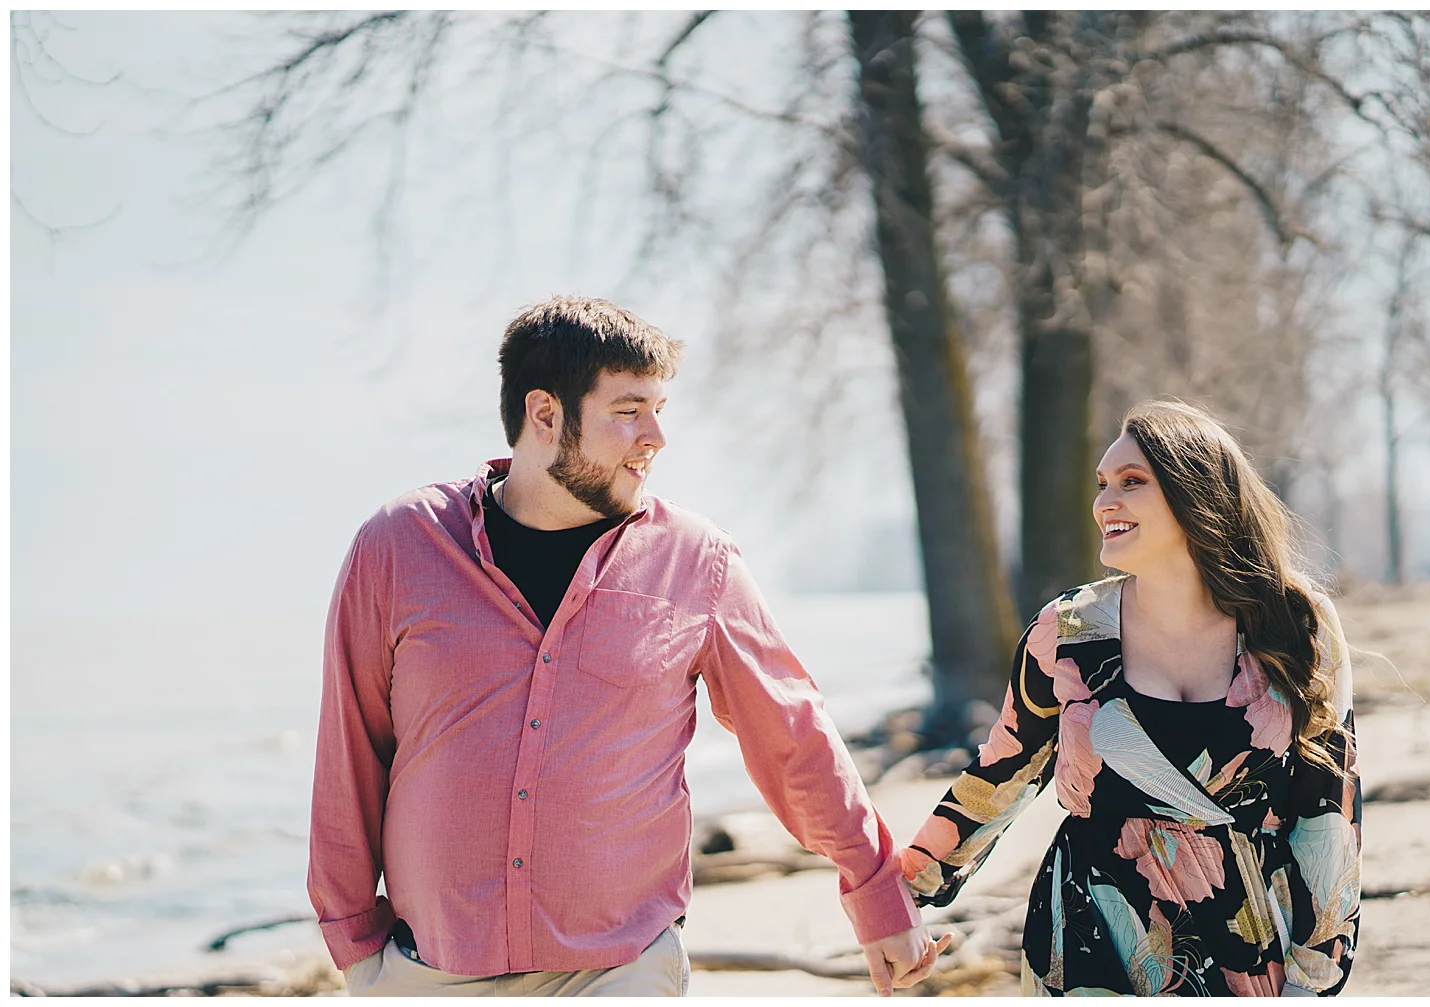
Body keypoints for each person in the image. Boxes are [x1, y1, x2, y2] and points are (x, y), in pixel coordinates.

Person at [310, 295, 946, 997]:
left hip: (621, 967)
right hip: (429, 972)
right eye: (628, 409)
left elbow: (791, 735)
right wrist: (356, 949)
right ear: (545, 414)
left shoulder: (696, 560)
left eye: (659, 408)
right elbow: (350, 752)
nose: (655, 437)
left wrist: (875, 887)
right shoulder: (400, 545)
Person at [900, 399, 1361, 997]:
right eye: (1101, 484)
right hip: (1094, 930)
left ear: (1195, 493)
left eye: (1131, 482)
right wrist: (897, 896)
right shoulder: (1066, 632)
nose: (1104, 503)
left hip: (1247, 937)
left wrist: (1316, 978)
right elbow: (1000, 777)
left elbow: (1330, 816)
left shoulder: (1295, 623)